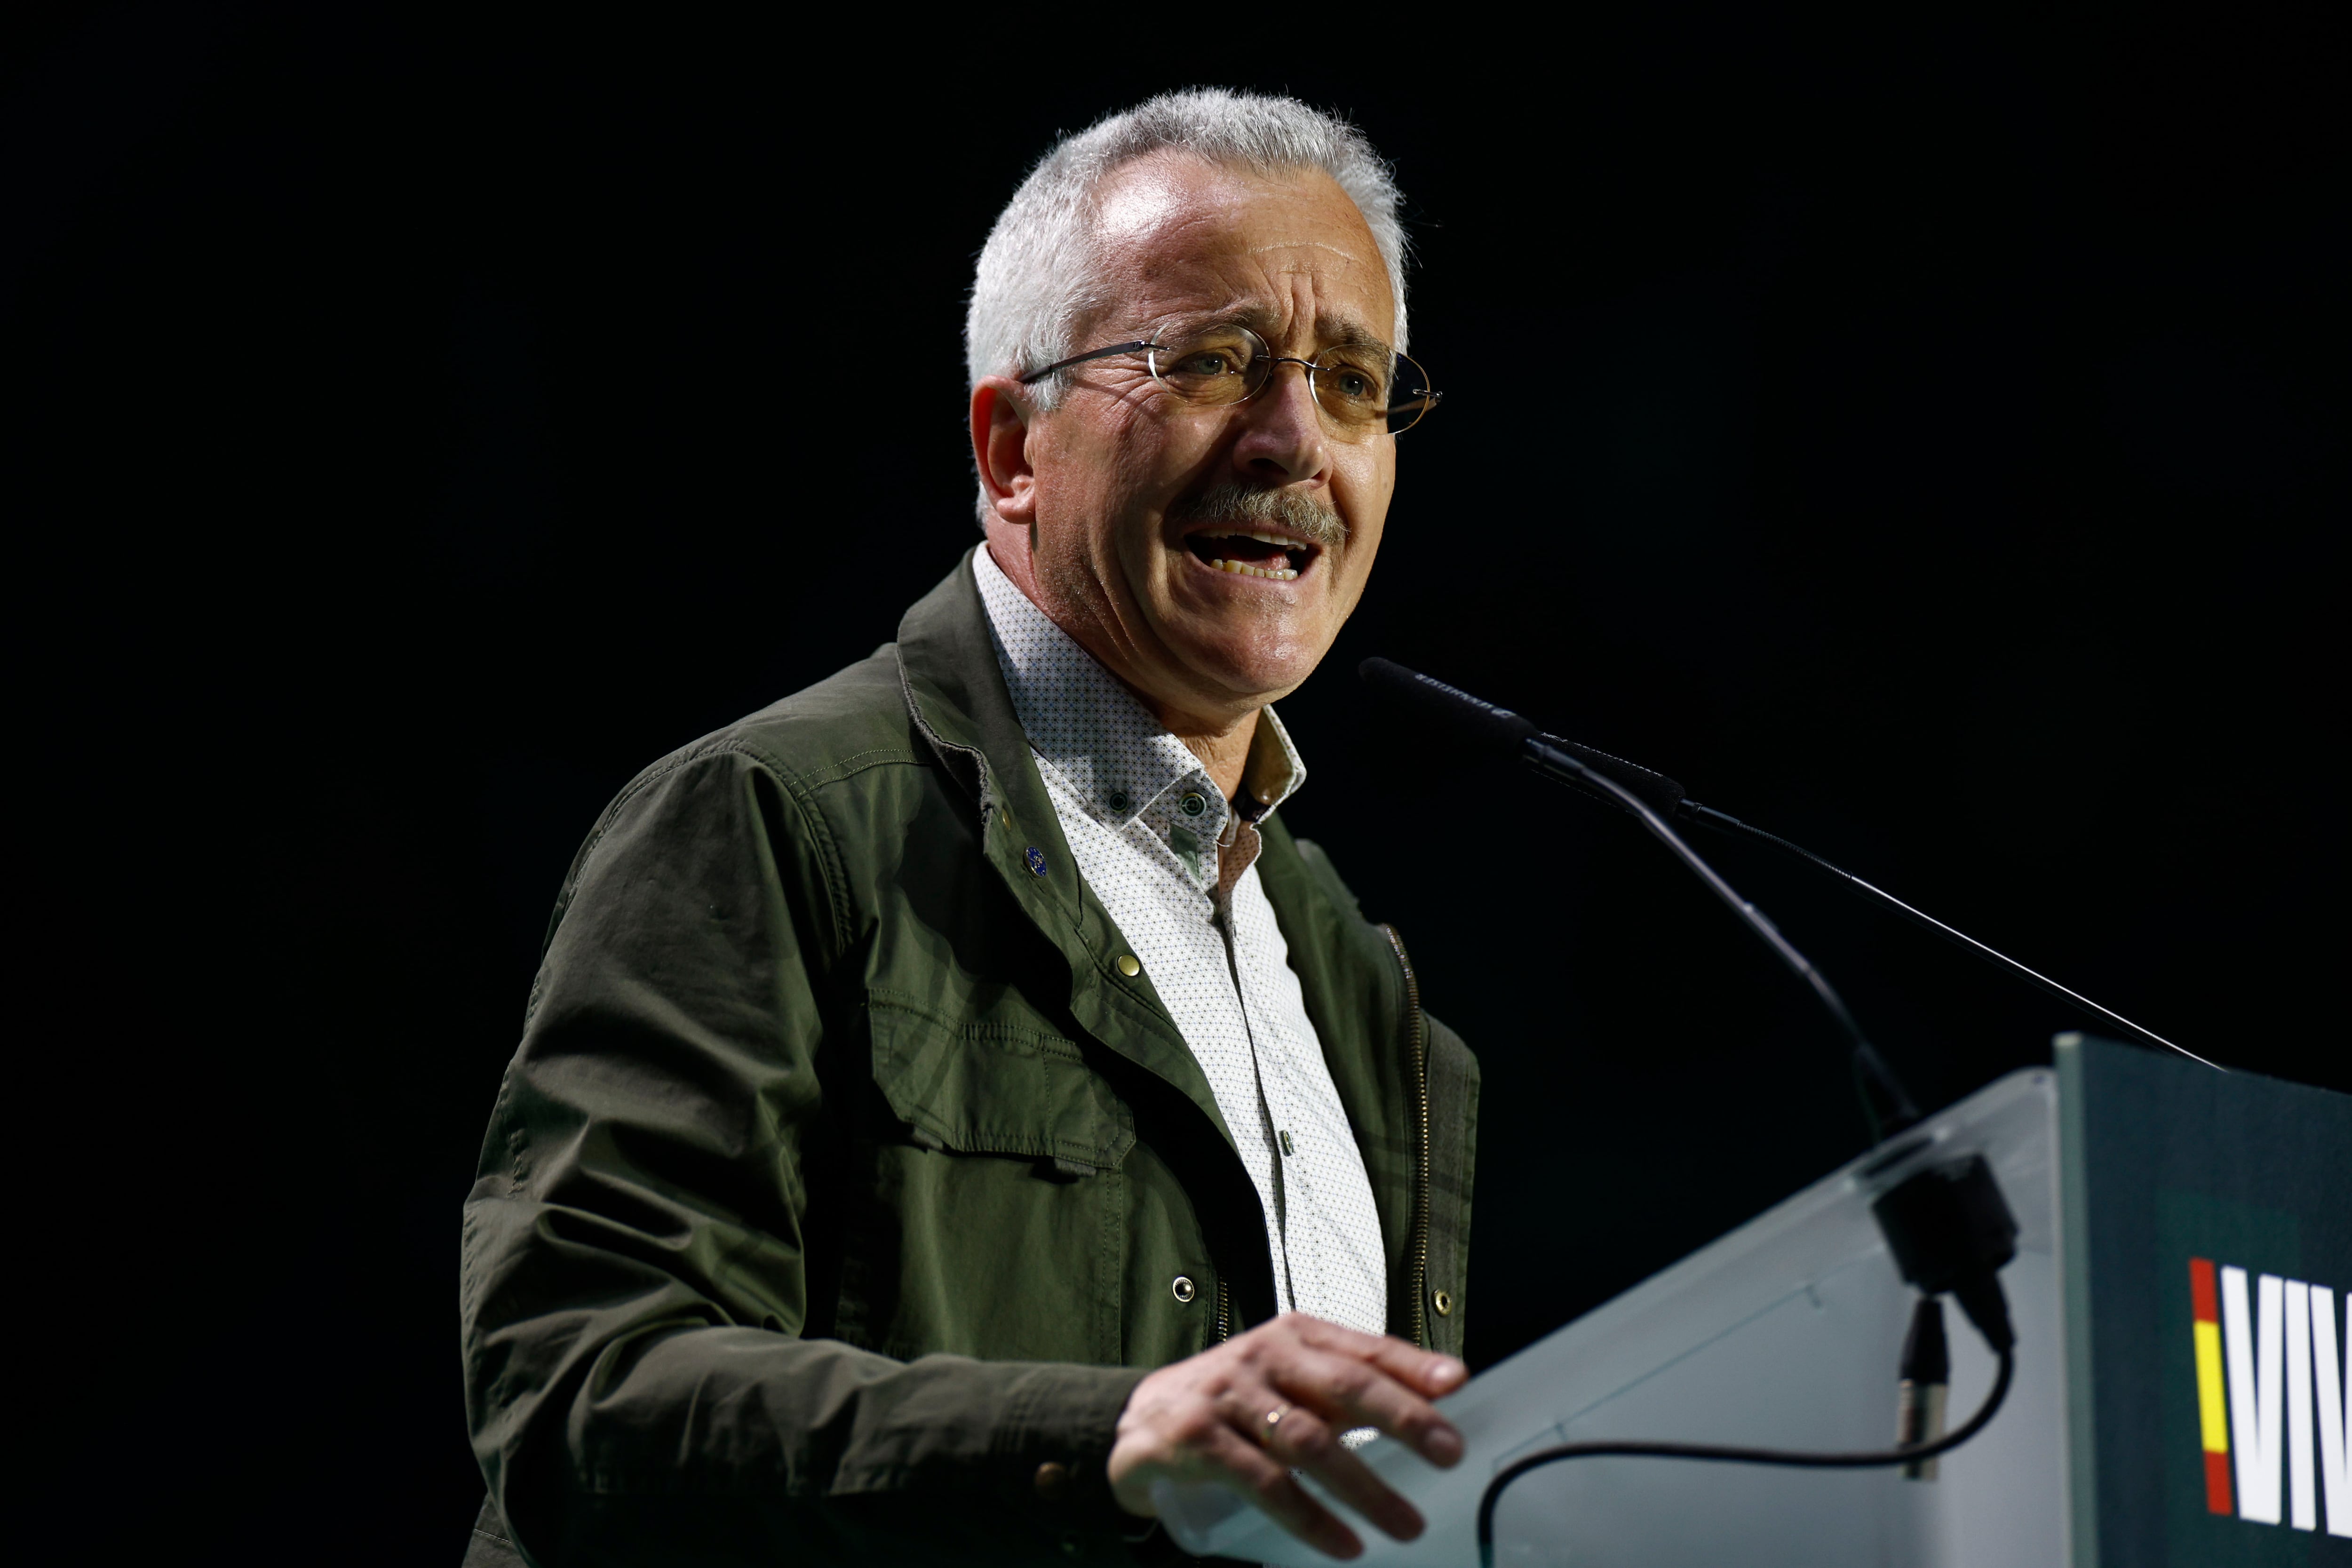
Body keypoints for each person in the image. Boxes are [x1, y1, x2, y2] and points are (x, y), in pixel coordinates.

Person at [459, 88, 1478, 1567]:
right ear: (1013, 450)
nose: (1291, 441)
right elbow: (576, 1398)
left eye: (1353, 382)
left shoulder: (1359, 985)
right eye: (1212, 362)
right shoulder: (775, 821)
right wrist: (1102, 1438)